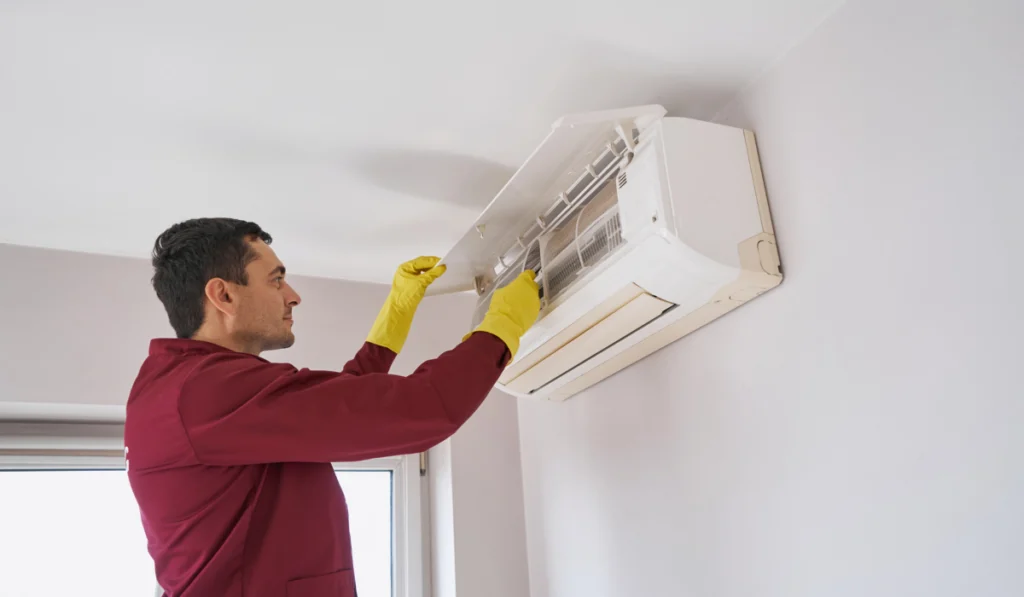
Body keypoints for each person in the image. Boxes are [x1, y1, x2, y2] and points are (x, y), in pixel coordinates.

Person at [124, 218, 540, 597]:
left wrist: (396, 314)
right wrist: (501, 329)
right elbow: (424, 408)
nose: (293, 296)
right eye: (276, 281)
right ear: (224, 295)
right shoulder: (205, 392)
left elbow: (335, 407)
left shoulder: (187, 386)